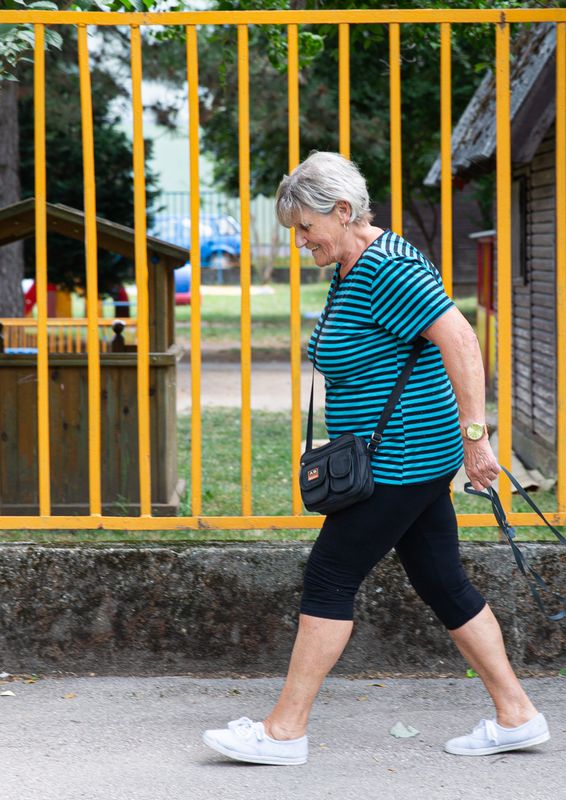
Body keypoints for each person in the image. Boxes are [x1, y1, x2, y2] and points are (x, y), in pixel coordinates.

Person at [202, 151, 548, 766]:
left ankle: (285, 732)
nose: (301, 240)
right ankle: (516, 715)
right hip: (398, 456)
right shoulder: (352, 266)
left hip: (401, 461)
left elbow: (461, 339)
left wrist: (478, 438)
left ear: (342, 211)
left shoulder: (387, 267)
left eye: (307, 228)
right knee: (442, 581)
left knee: (330, 578)